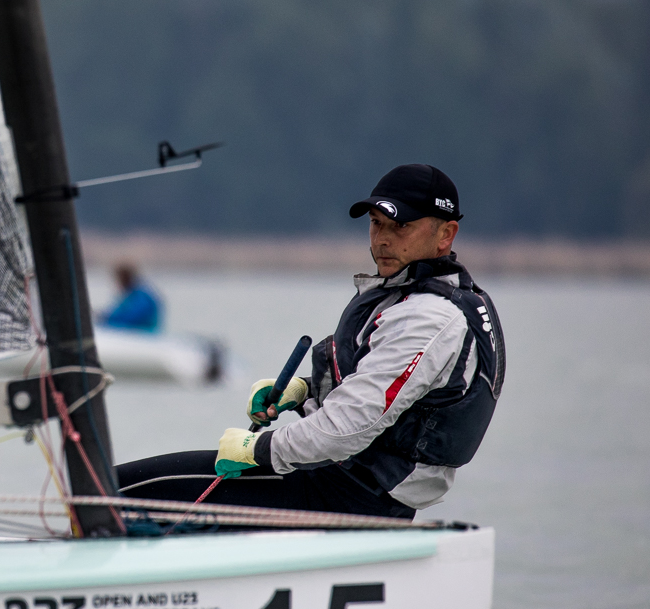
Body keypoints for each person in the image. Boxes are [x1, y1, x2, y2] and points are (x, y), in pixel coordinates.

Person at [116, 164, 505, 520]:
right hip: (345, 486)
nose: (383, 240)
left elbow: (345, 429)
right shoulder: (420, 298)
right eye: (376, 224)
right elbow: (384, 394)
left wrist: (258, 450)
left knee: (112, 490)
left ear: (445, 235)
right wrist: (303, 391)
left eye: (399, 227)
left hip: (345, 497)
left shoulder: (429, 317)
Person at [99, 261, 161, 333]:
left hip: (143, 335)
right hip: (133, 334)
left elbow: (131, 318)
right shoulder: (131, 295)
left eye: (120, 279)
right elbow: (117, 313)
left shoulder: (142, 297)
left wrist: (107, 319)